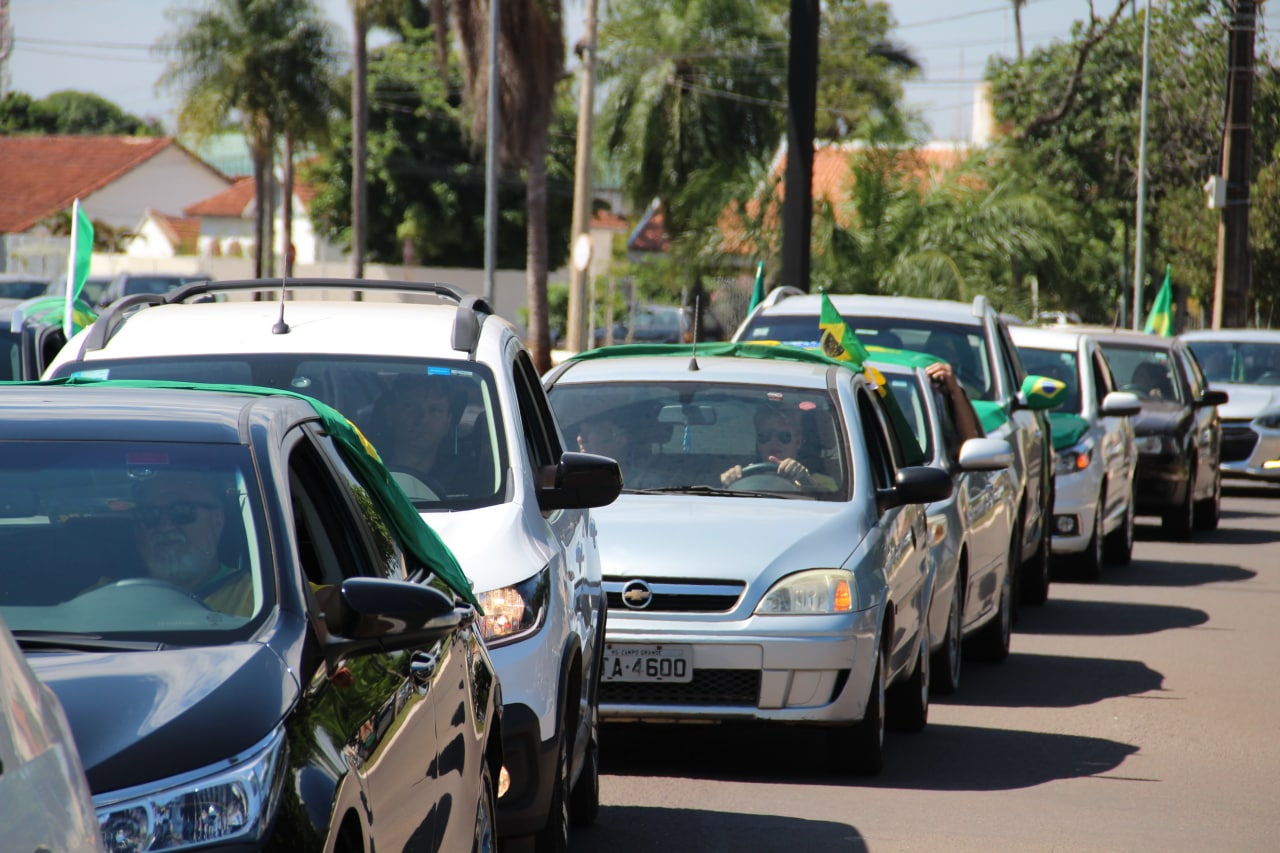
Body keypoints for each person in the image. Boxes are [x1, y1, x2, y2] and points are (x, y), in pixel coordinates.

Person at [133, 470, 252, 616]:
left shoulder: (260, 599)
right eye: (150, 514)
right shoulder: (105, 599)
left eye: (181, 510)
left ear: (217, 520)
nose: (164, 527)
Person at [369, 374, 465, 497]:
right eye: (410, 407)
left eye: (434, 410)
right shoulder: (364, 468)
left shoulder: (465, 484)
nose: (423, 418)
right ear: (390, 415)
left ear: (448, 421)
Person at [721, 403, 836, 492]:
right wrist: (729, 482)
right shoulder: (745, 477)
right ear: (758, 444)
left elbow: (833, 505)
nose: (774, 441)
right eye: (765, 436)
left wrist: (806, 480)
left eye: (784, 436)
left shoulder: (819, 480)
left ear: (798, 442)